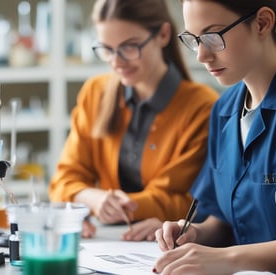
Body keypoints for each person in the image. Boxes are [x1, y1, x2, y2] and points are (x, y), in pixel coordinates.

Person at [154, 0, 276, 274]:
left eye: (213, 37)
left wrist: (229, 259)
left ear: (262, 23)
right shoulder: (224, 109)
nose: (201, 55)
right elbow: (223, 220)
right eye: (195, 39)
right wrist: (195, 234)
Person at [48, 0, 218, 241]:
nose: (116, 62)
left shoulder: (202, 106)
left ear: (163, 34)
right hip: (106, 242)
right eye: (106, 49)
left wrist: (110, 204)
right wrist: (95, 200)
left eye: (129, 47)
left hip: (167, 243)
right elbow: (62, 181)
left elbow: (192, 200)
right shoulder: (94, 92)